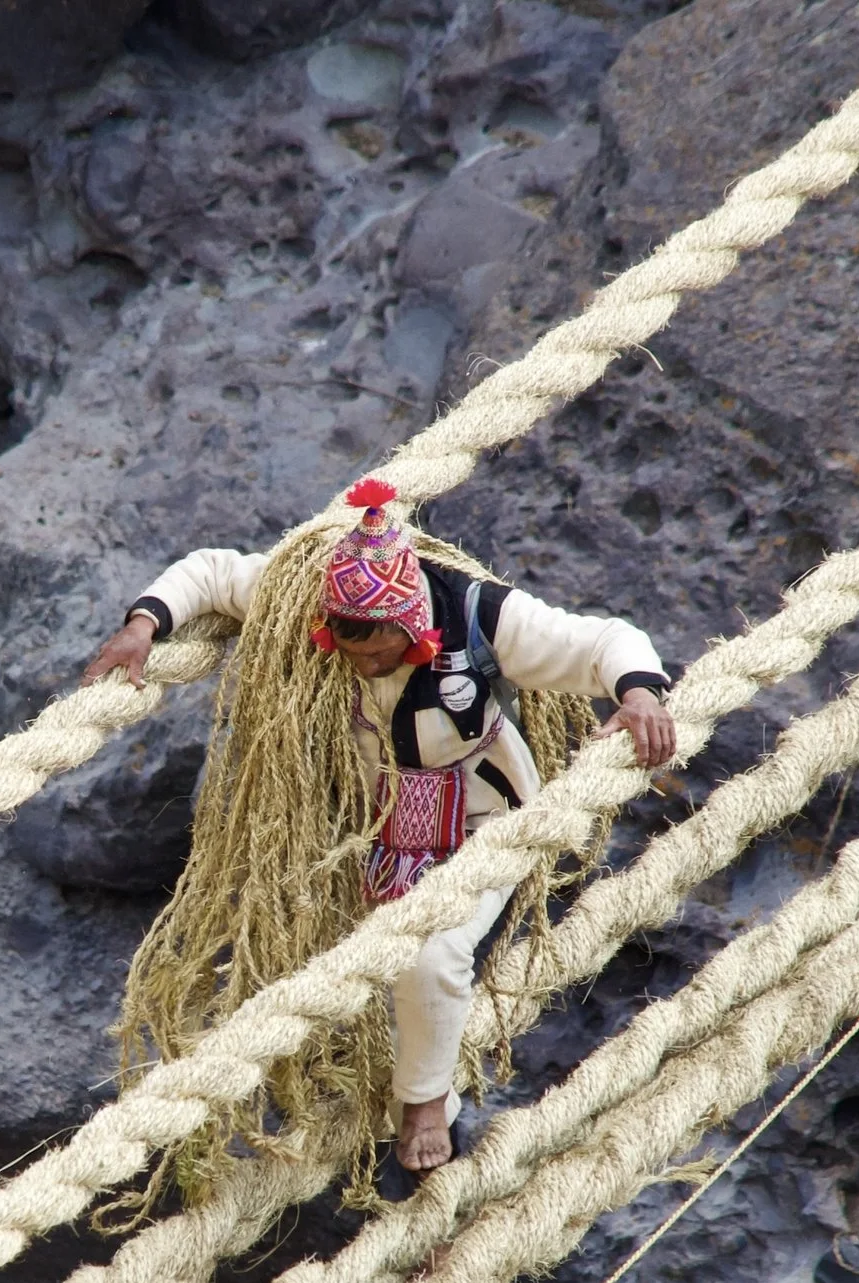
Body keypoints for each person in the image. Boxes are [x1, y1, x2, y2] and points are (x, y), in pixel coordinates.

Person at [83, 478, 674, 1204]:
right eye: (348, 650)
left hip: (487, 823)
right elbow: (213, 572)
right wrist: (145, 623)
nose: (361, 663)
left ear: (411, 618)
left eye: (377, 650)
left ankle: (425, 1107)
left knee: (432, 952)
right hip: (376, 830)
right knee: (339, 971)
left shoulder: (480, 616)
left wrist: (639, 692)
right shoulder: (320, 594)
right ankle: (389, 1114)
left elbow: (604, 641)